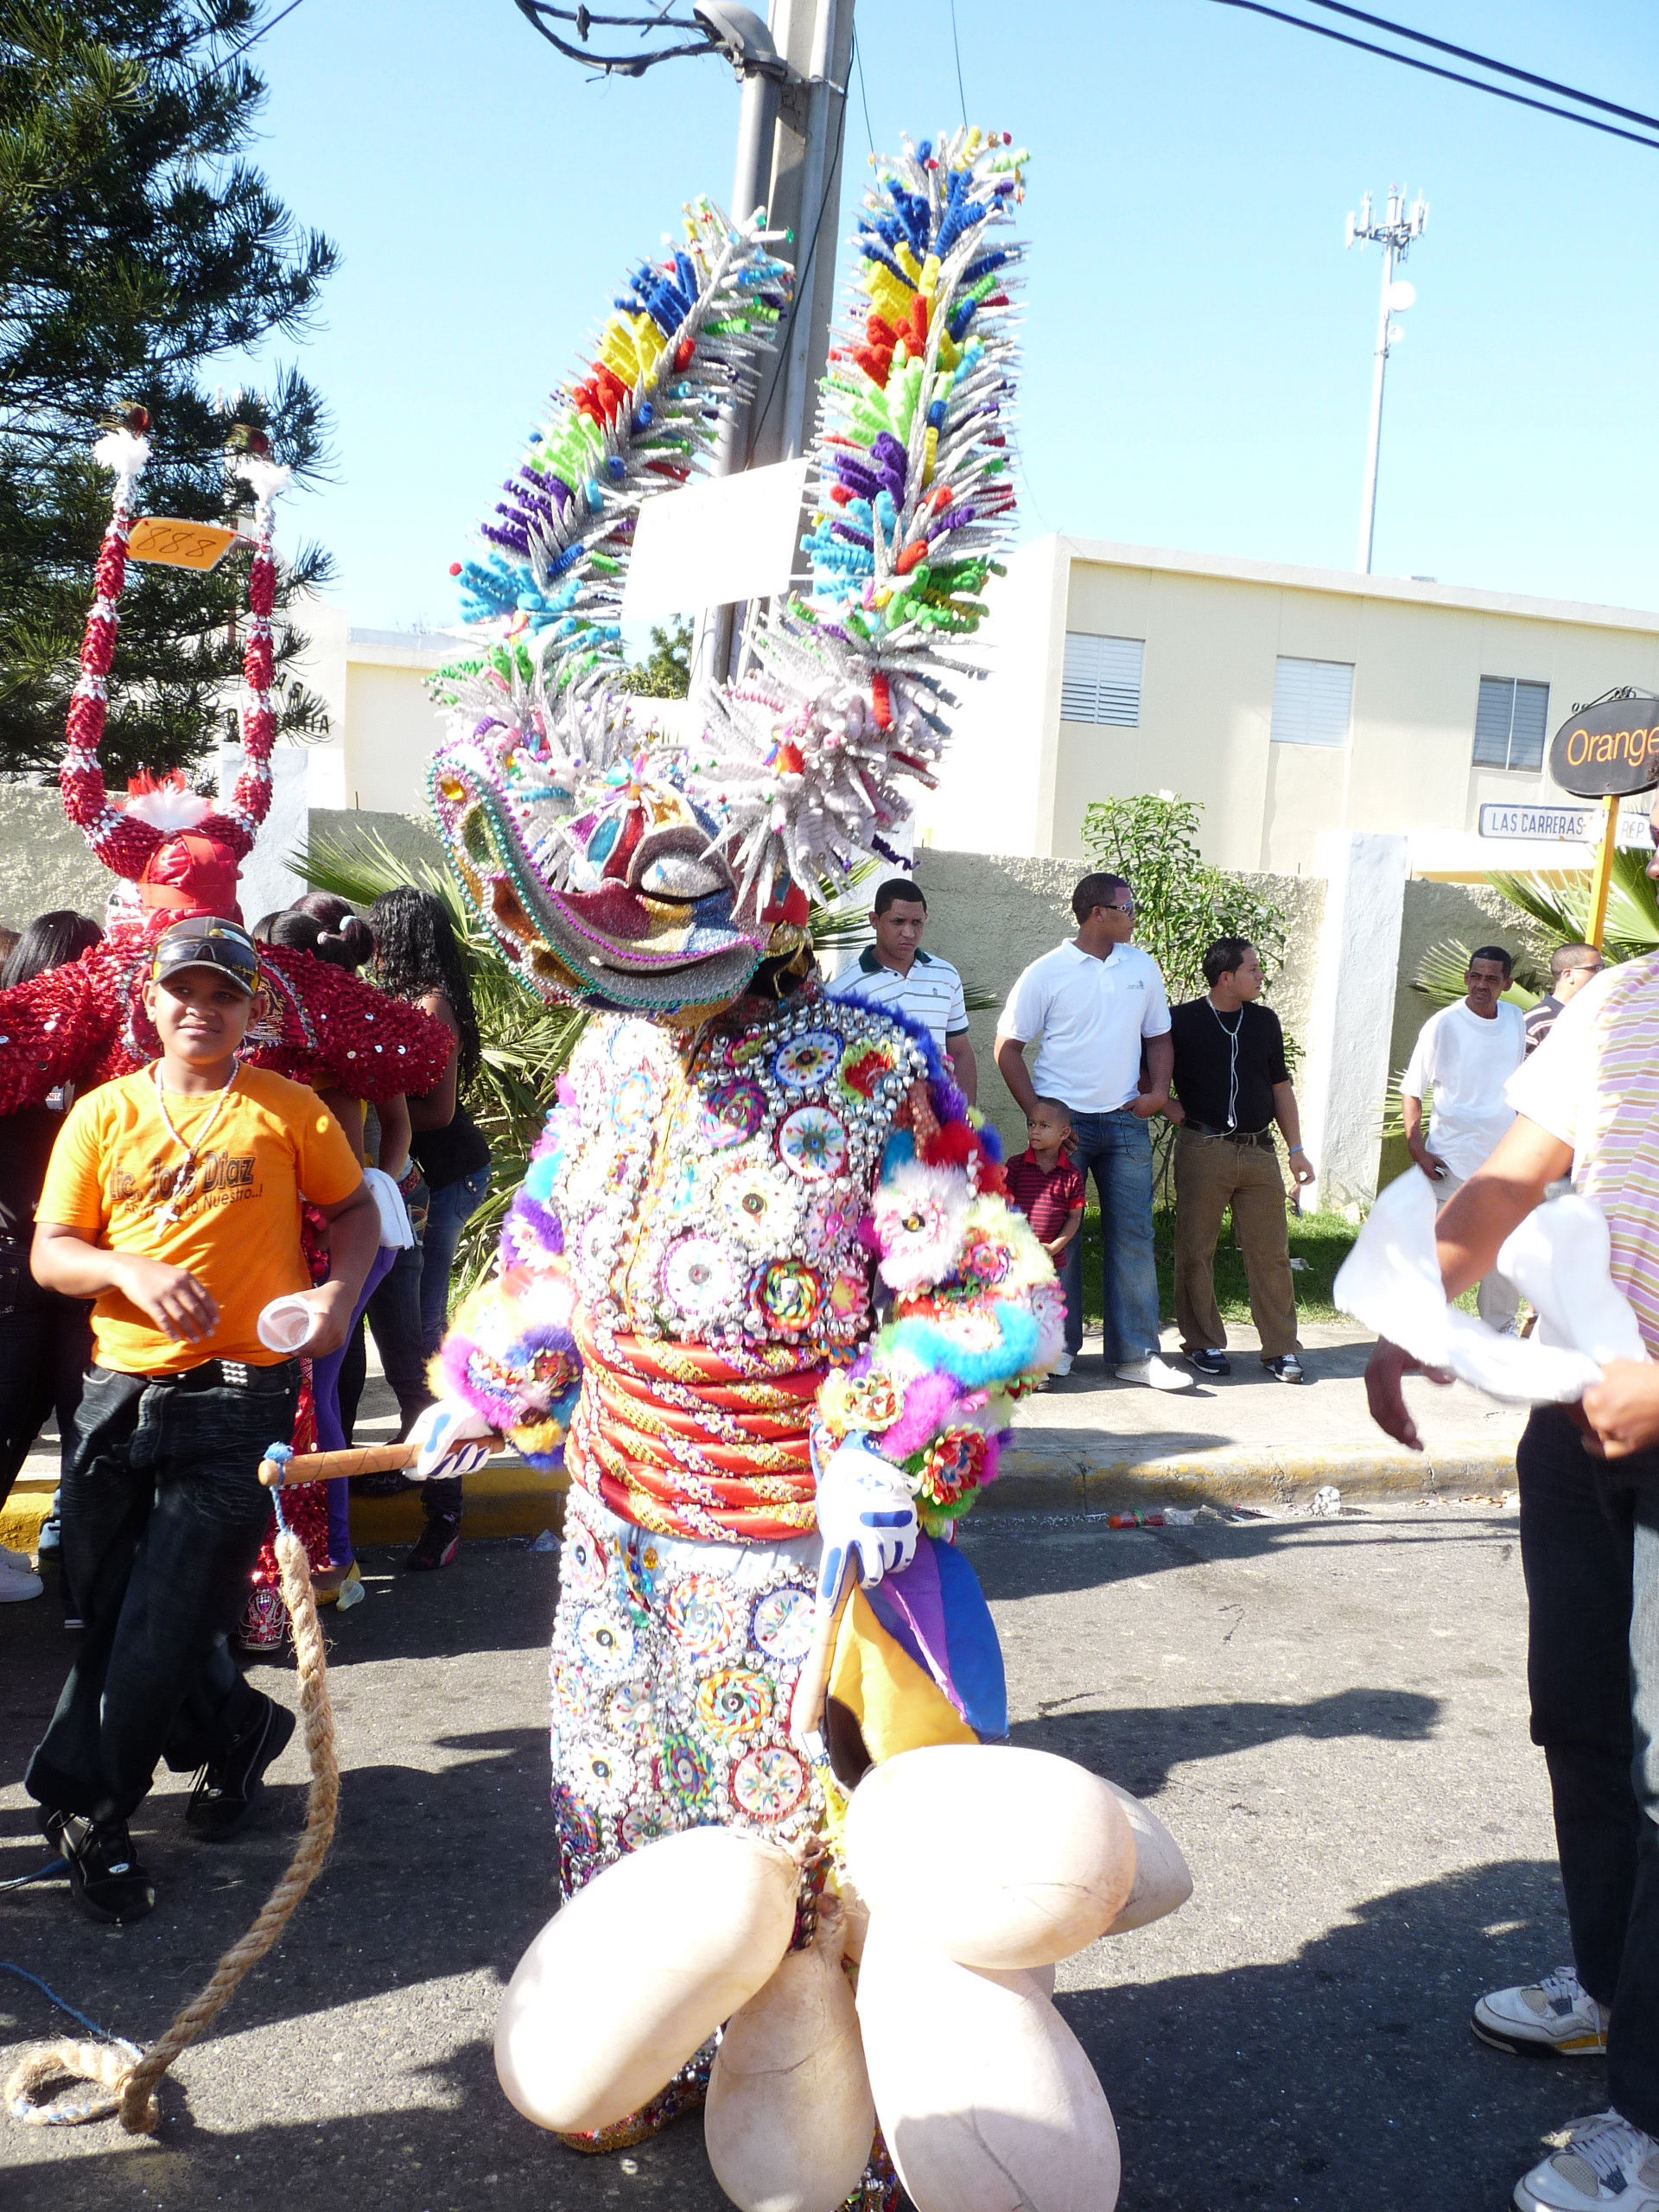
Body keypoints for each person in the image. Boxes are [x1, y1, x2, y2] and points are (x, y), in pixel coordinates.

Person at [1363, 801, 1659, 2212]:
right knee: (1583, 1721)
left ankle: (1647, 2121)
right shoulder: (1616, 1001)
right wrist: (1415, 1300)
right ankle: (1610, 1984)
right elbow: (1512, 1176)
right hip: (1575, 1427)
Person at [24, 915, 378, 1924]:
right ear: (150, 998)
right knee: (107, 1600)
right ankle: (233, 1728)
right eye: (185, 988)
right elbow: (55, 1249)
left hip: (239, 1398)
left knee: (161, 1613)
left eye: (225, 992)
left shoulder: (287, 1109)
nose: (202, 1008)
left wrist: (334, 1300)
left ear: (251, 1009)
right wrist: (124, 1268)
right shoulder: (102, 1115)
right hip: (117, 1393)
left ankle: (90, 1807)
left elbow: (356, 1213)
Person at [337, 886, 487, 1572]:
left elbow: (435, 1111)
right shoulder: (387, 1003)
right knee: (408, 1347)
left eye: (375, 929)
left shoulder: (428, 1003)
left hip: (439, 1177)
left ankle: (446, 1504)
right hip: (406, 1184)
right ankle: (416, 1459)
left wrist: (377, 1103)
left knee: (420, 1343)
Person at [995, 872, 1192, 1392]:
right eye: (1128, 906)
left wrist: (1157, 1094)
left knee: (1133, 1235)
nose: (1134, 915)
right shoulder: (1048, 972)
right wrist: (1039, 1113)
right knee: (1059, 1238)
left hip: (1126, 1119)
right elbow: (1007, 1045)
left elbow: (1160, 1037)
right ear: (1097, 913)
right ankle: (1056, 1350)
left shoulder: (1141, 966)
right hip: (1068, 1129)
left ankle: (1136, 1355)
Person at [0, 912, 105, 1605]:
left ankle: (75, 1573)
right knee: (85, 1435)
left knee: (22, 1422)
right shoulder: (108, 1067)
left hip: (23, 1269)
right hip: (74, 1271)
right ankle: (83, 1588)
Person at [1166, 936, 1314, 1384]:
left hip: (1260, 1152)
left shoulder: (1264, 1021)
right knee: (1196, 1248)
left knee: (1271, 1253)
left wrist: (1296, 1149)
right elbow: (1145, 1075)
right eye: (1253, 968)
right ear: (1225, 976)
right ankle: (1203, 1342)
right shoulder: (1181, 1021)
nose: (1260, 975)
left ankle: (1281, 1349)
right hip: (1203, 1150)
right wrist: (1178, 1114)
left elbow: (1279, 1087)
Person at [1399, 944, 1525, 1332]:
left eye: (1491, 978)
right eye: (1475, 976)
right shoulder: (1443, 1023)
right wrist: (1417, 1148)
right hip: (1450, 1160)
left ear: (1507, 983)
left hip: (1504, 1162)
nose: (1480, 985)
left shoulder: (1516, 1018)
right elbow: (1412, 1089)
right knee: (1442, 1253)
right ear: (1466, 977)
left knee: (1504, 1253)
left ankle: (1498, 1330)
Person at [826, 877, 977, 1104]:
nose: (909, 932)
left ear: (926, 919)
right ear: (874, 920)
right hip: (873, 1121)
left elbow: (961, 1051)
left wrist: (967, 1118)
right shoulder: (844, 988)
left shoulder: (946, 975)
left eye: (917, 922)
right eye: (898, 922)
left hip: (939, 1115)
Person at [1005, 1098, 1087, 1374]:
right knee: (1016, 1309)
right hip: (1016, 1256)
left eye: (1043, 1125)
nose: (1034, 1131)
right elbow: (1004, 1207)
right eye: (1031, 1124)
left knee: (1045, 1312)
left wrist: (1056, 1246)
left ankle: (1040, 1367)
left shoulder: (1072, 1175)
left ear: (1064, 1133)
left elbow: (1074, 1217)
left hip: (1050, 1259)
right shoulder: (1016, 1166)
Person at [1525, 940, 1605, 1056]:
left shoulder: (1603, 1015)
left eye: (1602, 968)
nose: (1602, 974)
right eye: (1596, 968)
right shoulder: (1536, 1023)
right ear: (1568, 975)